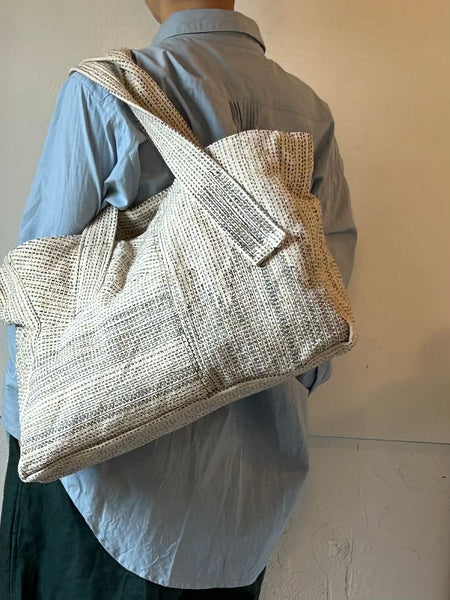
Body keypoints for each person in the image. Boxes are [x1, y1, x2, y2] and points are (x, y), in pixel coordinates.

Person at [0, 1, 357, 599]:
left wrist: (26, 428)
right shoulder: (309, 112)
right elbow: (330, 292)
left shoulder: (104, 91)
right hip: (248, 497)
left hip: (103, 492)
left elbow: (40, 293)